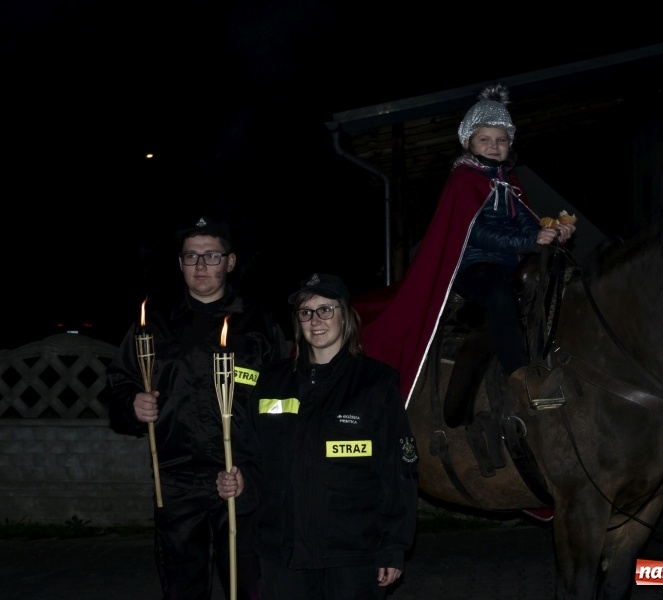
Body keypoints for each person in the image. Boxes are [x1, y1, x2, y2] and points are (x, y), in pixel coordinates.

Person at [354, 83, 576, 406]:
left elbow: (529, 221)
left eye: (501, 140)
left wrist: (551, 232)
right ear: (468, 142)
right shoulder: (463, 181)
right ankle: (522, 378)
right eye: (485, 139)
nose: (494, 146)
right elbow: (476, 233)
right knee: (499, 295)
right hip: (472, 264)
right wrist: (529, 240)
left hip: (507, 264)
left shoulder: (509, 182)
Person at [107, 215, 288, 600]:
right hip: (175, 478)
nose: (201, 266)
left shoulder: (259, 321)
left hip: (241, 475)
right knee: (181, 585)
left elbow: (283, 400)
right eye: (192, 257)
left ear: (231, 262)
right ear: (180, 264)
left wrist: (261, 466)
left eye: (212, 256)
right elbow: (119, 383)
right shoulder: (151, 322)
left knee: (248, 583)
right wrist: (131, 405)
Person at [216, 272, 419, 600]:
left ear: (346, 317)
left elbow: (398, 472)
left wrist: (393, 547)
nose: (316, 320)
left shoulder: (375, 384)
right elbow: (251, 457)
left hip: (353, 553)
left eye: (326, 309)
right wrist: (240, 484)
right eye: (306, 312)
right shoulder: (270, 382)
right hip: (283, 551)